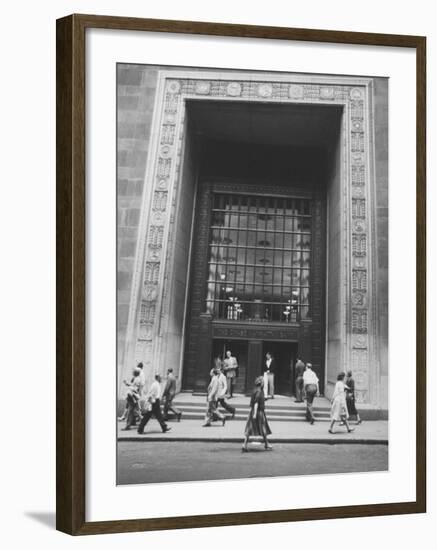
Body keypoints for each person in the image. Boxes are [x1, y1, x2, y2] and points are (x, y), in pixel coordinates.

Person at [242, 376, 272, 452]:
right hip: (259, 412)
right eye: (263, 382)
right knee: (263, 427)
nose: (264, 383)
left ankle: (245, 444)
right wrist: (255, 414)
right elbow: (256, 403)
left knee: (249, 428)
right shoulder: (259, 391)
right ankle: (266, 444)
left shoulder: (255, 390)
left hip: (253, 411)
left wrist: (251, 412)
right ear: (261, 383)